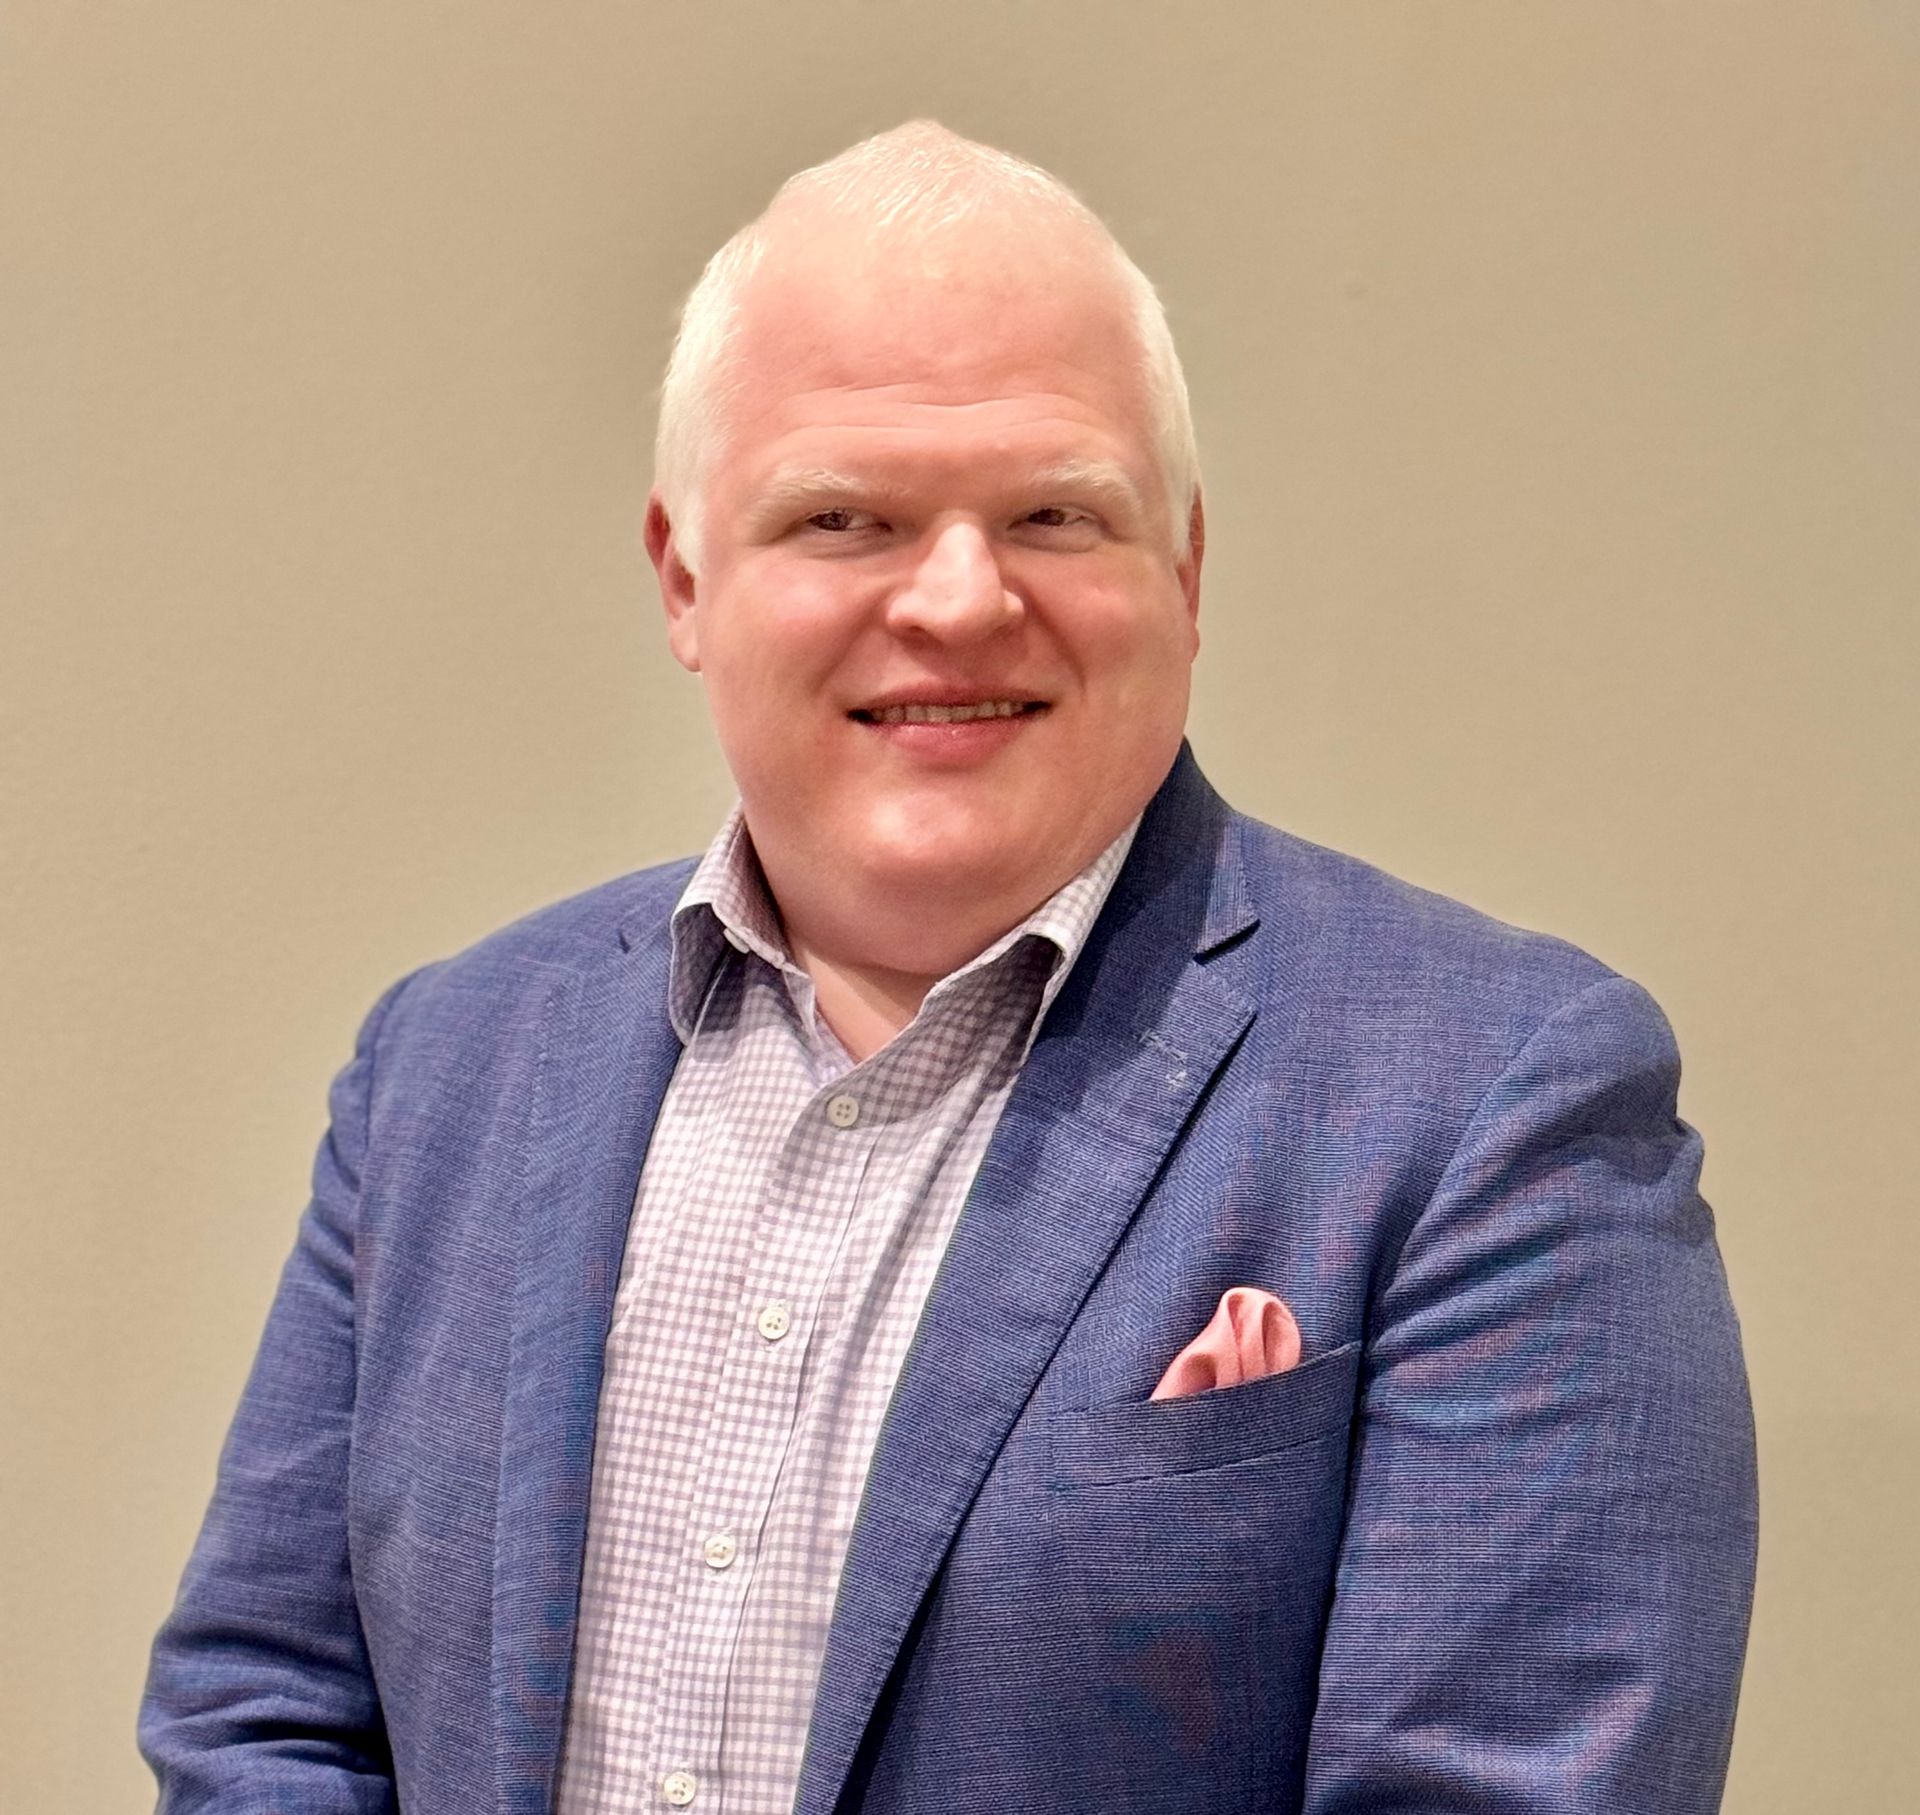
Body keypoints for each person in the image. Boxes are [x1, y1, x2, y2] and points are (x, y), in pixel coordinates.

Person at [141, 122, 1757, 1815]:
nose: (963, 600)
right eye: (846, 517)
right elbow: (268, 1716)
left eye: (1055, 513)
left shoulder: (1494, 1100)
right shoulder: (450, 1062)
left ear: (1185, 568)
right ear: (686, 577)